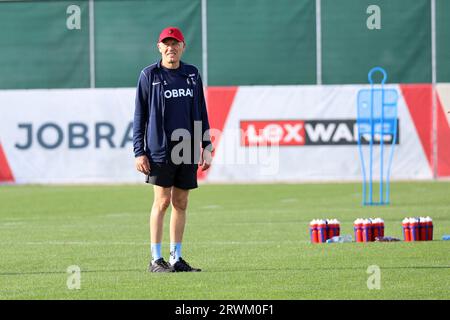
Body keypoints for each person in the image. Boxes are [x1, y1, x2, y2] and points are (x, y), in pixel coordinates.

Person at [133, 26, 213, 273]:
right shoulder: (149, 76)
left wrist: (206, 145)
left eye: (175, 43)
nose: (171, 47)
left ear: (182, 46)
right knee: (162, 202)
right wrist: (139, 150)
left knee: (181, 201)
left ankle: (176, 258)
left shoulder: (192, 74)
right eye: (166, 44)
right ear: (159, 47)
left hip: (187, 148)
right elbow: (140, 115)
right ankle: (156, 260)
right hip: (159, 149)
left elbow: (200, 111)